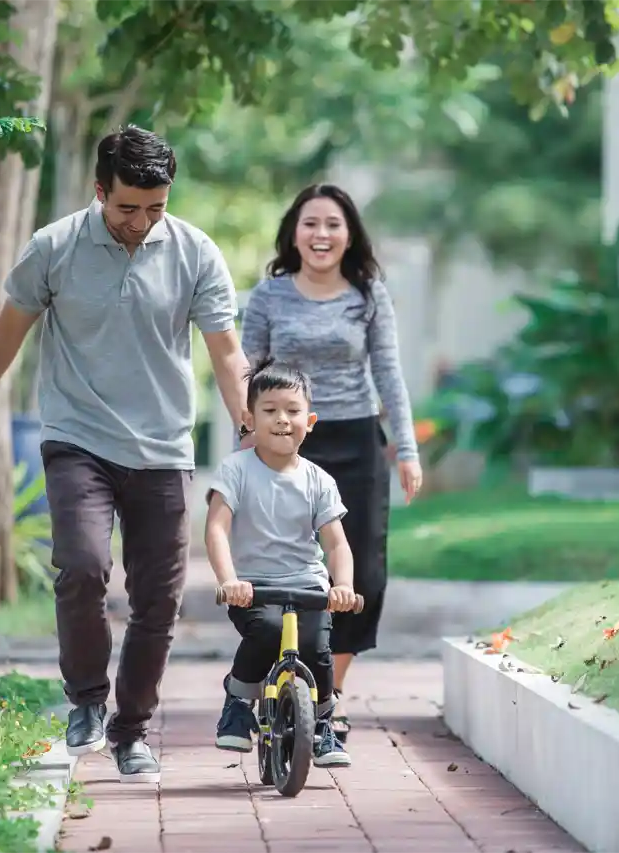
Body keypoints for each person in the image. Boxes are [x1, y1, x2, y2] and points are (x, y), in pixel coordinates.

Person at [0, 126, 251, 785]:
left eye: (156, 207)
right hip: (77, 437)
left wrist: (247, 420)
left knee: (158, 601)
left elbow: (225, 351)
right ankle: (85, 699)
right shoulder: (55, 247)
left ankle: (130, 730)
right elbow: (3, 339)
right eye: (127, 207)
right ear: (99, 190)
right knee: (80, 566)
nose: (141, 222)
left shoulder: (194, 252)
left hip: (162, 446)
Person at [241, 183, 421, 743]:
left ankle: (326, 699)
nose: (321, 235)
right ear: (294, 232)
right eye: (311, 223)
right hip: (284, 445)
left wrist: (407, 449)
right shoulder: (268, 296)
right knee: (282, 569)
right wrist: (243, 445)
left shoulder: (368, 295)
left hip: (358, 445)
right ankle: (276, 677)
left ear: (350, 235)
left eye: (333, 225)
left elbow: (388, 373)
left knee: (360, 573)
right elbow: (247, 372)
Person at [206, 359, 357, 767]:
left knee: (317, 649)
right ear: (249, 418)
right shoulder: (236, 470)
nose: (281, 420)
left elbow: (337, 544)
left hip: (307, 584)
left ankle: (323, 724)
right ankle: (238, 701)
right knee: (267, 630)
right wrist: (229, 580)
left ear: (309, 420)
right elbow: (217, 529)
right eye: (269, 411)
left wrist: (341, 586)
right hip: (254, 586)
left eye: (292, 411)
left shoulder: (318, 480)